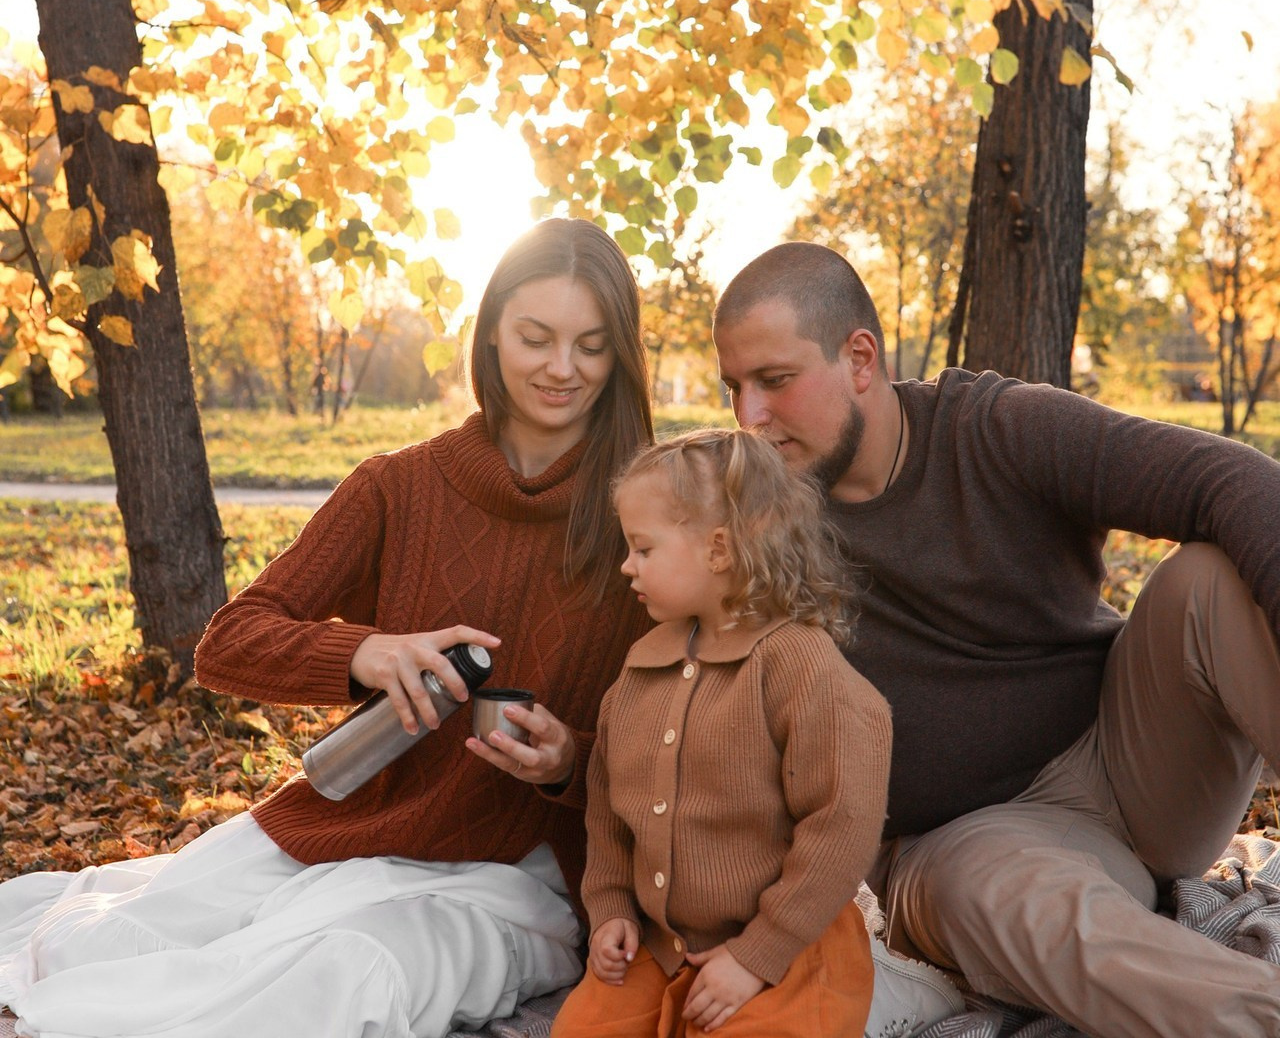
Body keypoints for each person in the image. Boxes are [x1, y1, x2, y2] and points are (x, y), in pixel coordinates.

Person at [0, 217, 654, 1038]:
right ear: (489, 338)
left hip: (518, 872)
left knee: (339, 973)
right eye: (535, 337)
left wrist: (568, 760)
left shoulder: (651, 513)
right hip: (354, 820)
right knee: (95, 951)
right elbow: (230, 642)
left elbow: (687, 743)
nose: (562, 369)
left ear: (621, 354)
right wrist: (366, 654)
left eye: (592, 346)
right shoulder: (399, 486)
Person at [712, 240, 1280, 1038]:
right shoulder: (750, 531)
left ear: (861, 358)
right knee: (988, 892)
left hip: (1133, 761)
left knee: (1207, 580)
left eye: (773, 382)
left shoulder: (994, 427)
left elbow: (1236, 480)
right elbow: (673, 698)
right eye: (733, 388)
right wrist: (566, 759)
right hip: (967, 844)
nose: (749, 417)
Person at [551, 427, 893, 1038]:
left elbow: (843, 821)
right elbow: (607, 811)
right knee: (581, 1029)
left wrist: (756, 956)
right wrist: (609, 913)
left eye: (642, 548)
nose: (627, 565)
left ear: (717, 551)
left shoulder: (797, 663)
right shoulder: (641, 668)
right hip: (659, 947)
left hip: (791, 945)